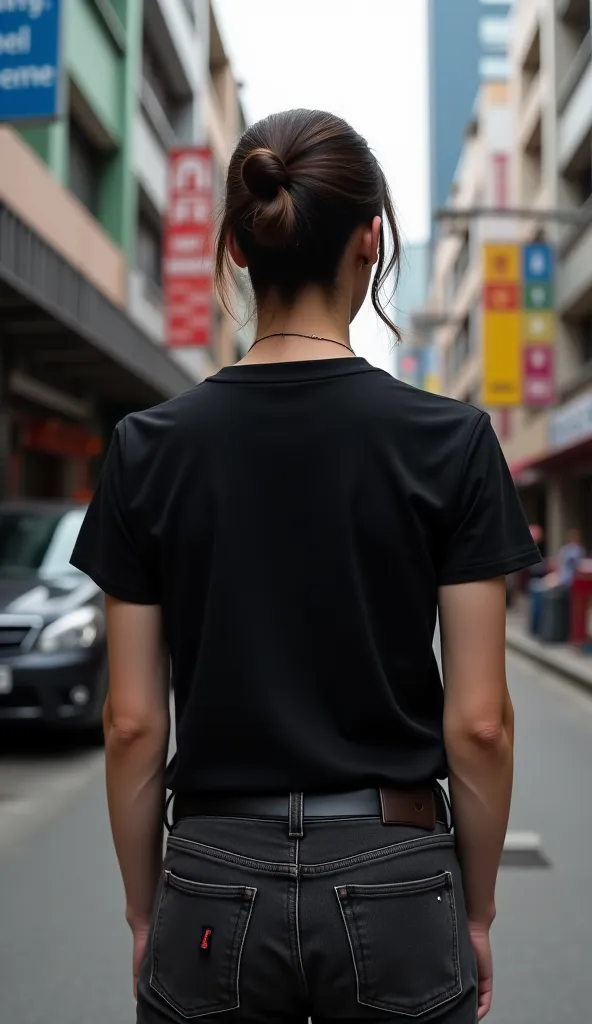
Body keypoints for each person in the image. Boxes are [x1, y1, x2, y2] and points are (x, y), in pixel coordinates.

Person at [71, 109, 542, 1024]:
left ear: (240, 248)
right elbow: (480, 723)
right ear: (373, 241)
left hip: (209, 877)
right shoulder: (452, 441)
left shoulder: (147, 447)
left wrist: (145, 910)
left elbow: (132, 723)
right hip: (399, 878)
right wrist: (475, 912)